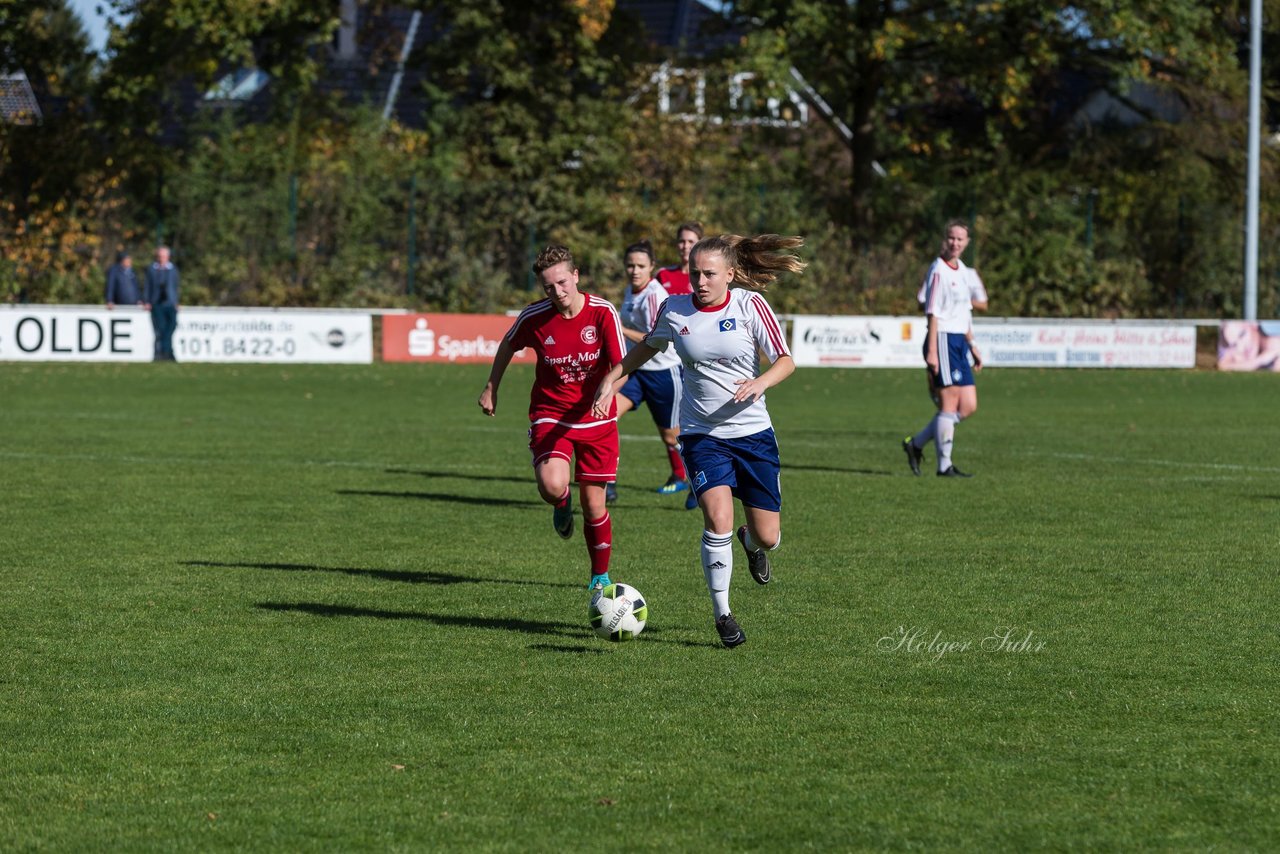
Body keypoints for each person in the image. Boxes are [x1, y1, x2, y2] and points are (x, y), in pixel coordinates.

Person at [593, 233, 803, 648]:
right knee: (716, 519)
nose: (700, 281)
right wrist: (612, 378)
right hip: (701, 434)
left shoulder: (749, 305)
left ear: (729, 274)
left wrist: (760, 383)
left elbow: (786, 360)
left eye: (709, 274)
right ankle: (723, 614)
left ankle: (750, 543)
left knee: (769, 536)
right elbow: (648, 348)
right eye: (694, 273)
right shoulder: (675, 309)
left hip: (753, 434)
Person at [478, 244, 626, 592]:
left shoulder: (602, 313)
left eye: (562, 282)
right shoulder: (534, 317)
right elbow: (508, 345)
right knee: (551, 484)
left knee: (594, 506)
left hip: (597, 419)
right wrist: (491, 387)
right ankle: (561, 504)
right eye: (549, 287)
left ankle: (599, 575)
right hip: (552, 415)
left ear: (576, 276)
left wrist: (609, 388)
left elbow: (623, 365)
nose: (557, 292)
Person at [604, 239, 693, 506]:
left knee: (671, 436)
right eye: (630, 265)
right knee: (608, 416)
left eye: (640, 266)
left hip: (664, 373)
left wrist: (618, 329)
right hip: (637, 372)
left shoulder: (655, 295)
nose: (634, 270)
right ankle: (607, 482)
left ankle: (698, 481)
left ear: (651, 267)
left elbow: (656, 338)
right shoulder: (630, 291)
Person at [902, 220, 984, 477]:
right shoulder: (938, 269)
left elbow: (965, 312)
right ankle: (944, 466)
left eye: (960, 239)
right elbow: (933, 311)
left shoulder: (964, 271)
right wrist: (932, 350)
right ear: (944, 239)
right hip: (944, 339)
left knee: (968, 406)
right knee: (948, 405)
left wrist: (973, 345)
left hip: (960, 341)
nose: (955, 243)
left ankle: (916, 444)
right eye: (951, 238)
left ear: (967, 243)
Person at [144, 245, 180, 361]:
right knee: (161, 328)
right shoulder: (152, 269)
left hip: (170, 303)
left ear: (168, 256)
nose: (161, 258)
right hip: (157, 303)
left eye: (164, 256)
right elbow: (147, 286)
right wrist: (147, 301)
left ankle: (167, 352)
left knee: (171, 326)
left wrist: (176, 302)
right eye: (160, 256)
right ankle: (166, 354)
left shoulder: (173, 269)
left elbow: (175, 287)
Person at [655, 221, 703, 296]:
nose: (685, 246)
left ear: (700, 244)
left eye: (691, 241)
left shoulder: (705, 276)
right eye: (682, 241)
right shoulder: (663, 274)